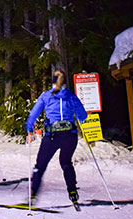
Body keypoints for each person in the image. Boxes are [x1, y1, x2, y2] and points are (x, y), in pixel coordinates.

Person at [25, 69, 87, 204]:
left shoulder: (45, 96)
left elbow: (33, 114)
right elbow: (83, 116)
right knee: (66, 162)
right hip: (70, 135)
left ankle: (33, 194)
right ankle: (72, 191)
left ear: (52, 81)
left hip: (52, 135)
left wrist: (29, 127)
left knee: (40, 165)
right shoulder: (71, 96)